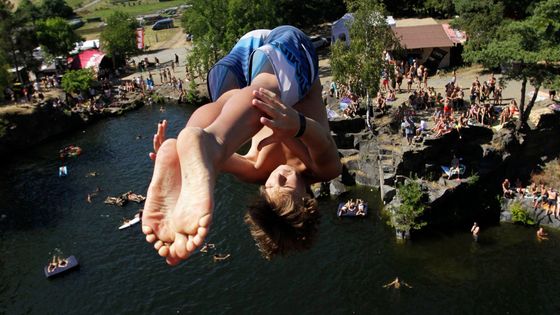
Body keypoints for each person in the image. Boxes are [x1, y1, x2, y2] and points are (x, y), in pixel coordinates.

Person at [142, 26, 342, 265]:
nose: (277, 179)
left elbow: (222, 162)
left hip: (242, 65)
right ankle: (211, 140)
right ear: (308, 200)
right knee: (266, 96)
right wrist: (296, 126)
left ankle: (199, 144)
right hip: (288, 48)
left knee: (221, 114)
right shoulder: (323, 170)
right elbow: (323, 142)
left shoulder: (256, 169)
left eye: (269, 189)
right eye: (286, 188)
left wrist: (178, 159)